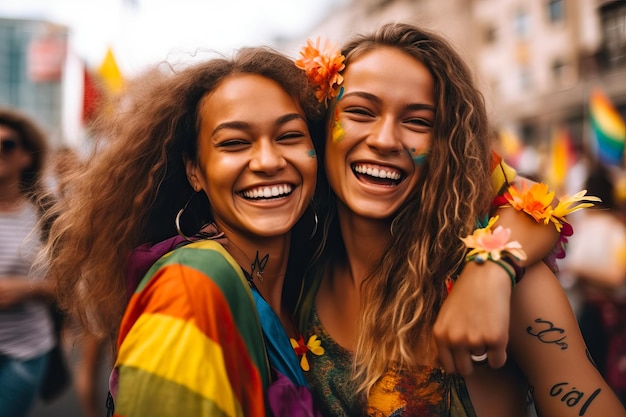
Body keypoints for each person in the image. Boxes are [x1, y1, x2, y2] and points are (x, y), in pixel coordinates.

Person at [293, 23, 626, 416]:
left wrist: (492, 266)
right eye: (360, 112)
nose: (384, 139)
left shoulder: (509, 286)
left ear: (446, 147)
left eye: (418, 122)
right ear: (322, 123)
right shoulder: (298, 272)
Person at [39, 47, 324, 416]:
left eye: (289, 136)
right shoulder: (187, 292)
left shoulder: (309, 287)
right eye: (235, 142)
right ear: (194, 171)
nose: (269, 161)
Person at [0, 108, 57, 417]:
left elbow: (72, 285)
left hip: (24, 352)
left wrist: (28, 288)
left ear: (26, 156)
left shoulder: (46, 216)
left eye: (6, 144)